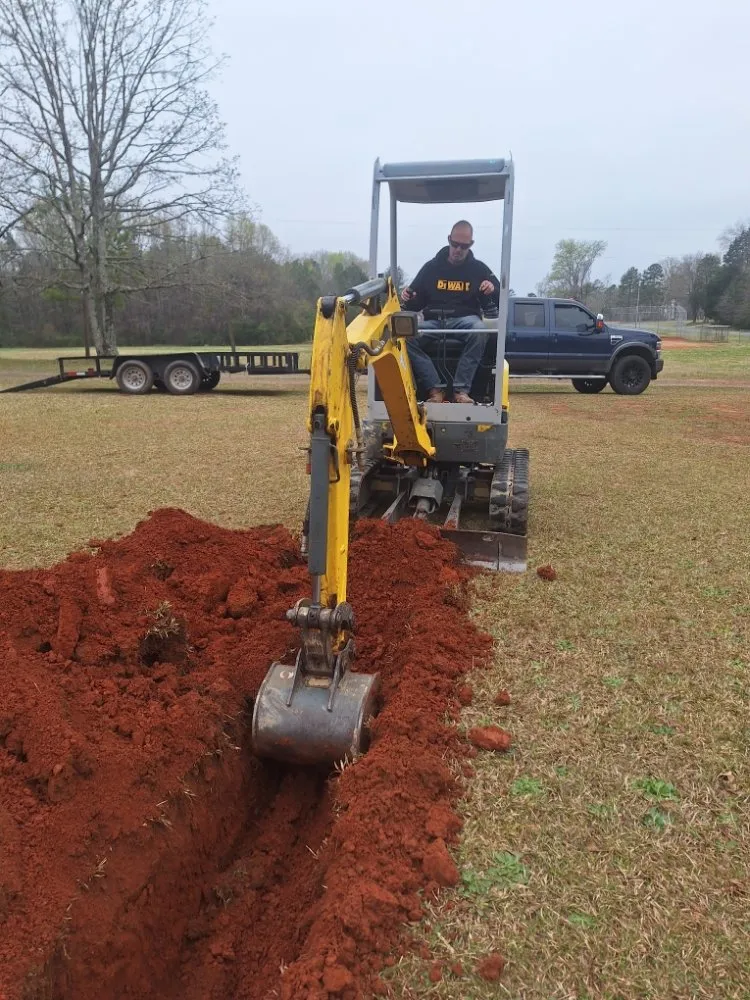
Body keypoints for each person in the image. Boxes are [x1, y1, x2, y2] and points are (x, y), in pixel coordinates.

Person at [401, 221, 500, 403]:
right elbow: (414, 302)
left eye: (464, 246)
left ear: (471, 245)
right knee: (405, 338)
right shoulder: (431, 268)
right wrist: (408, 296)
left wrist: (492, 287)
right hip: (434, 321)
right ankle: (434, 389)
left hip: (465, 320)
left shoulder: (479, 269)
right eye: (455, 244)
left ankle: (461, 391)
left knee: (479, 331)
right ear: (449, 240)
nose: (458, 249)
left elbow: (499, 295)